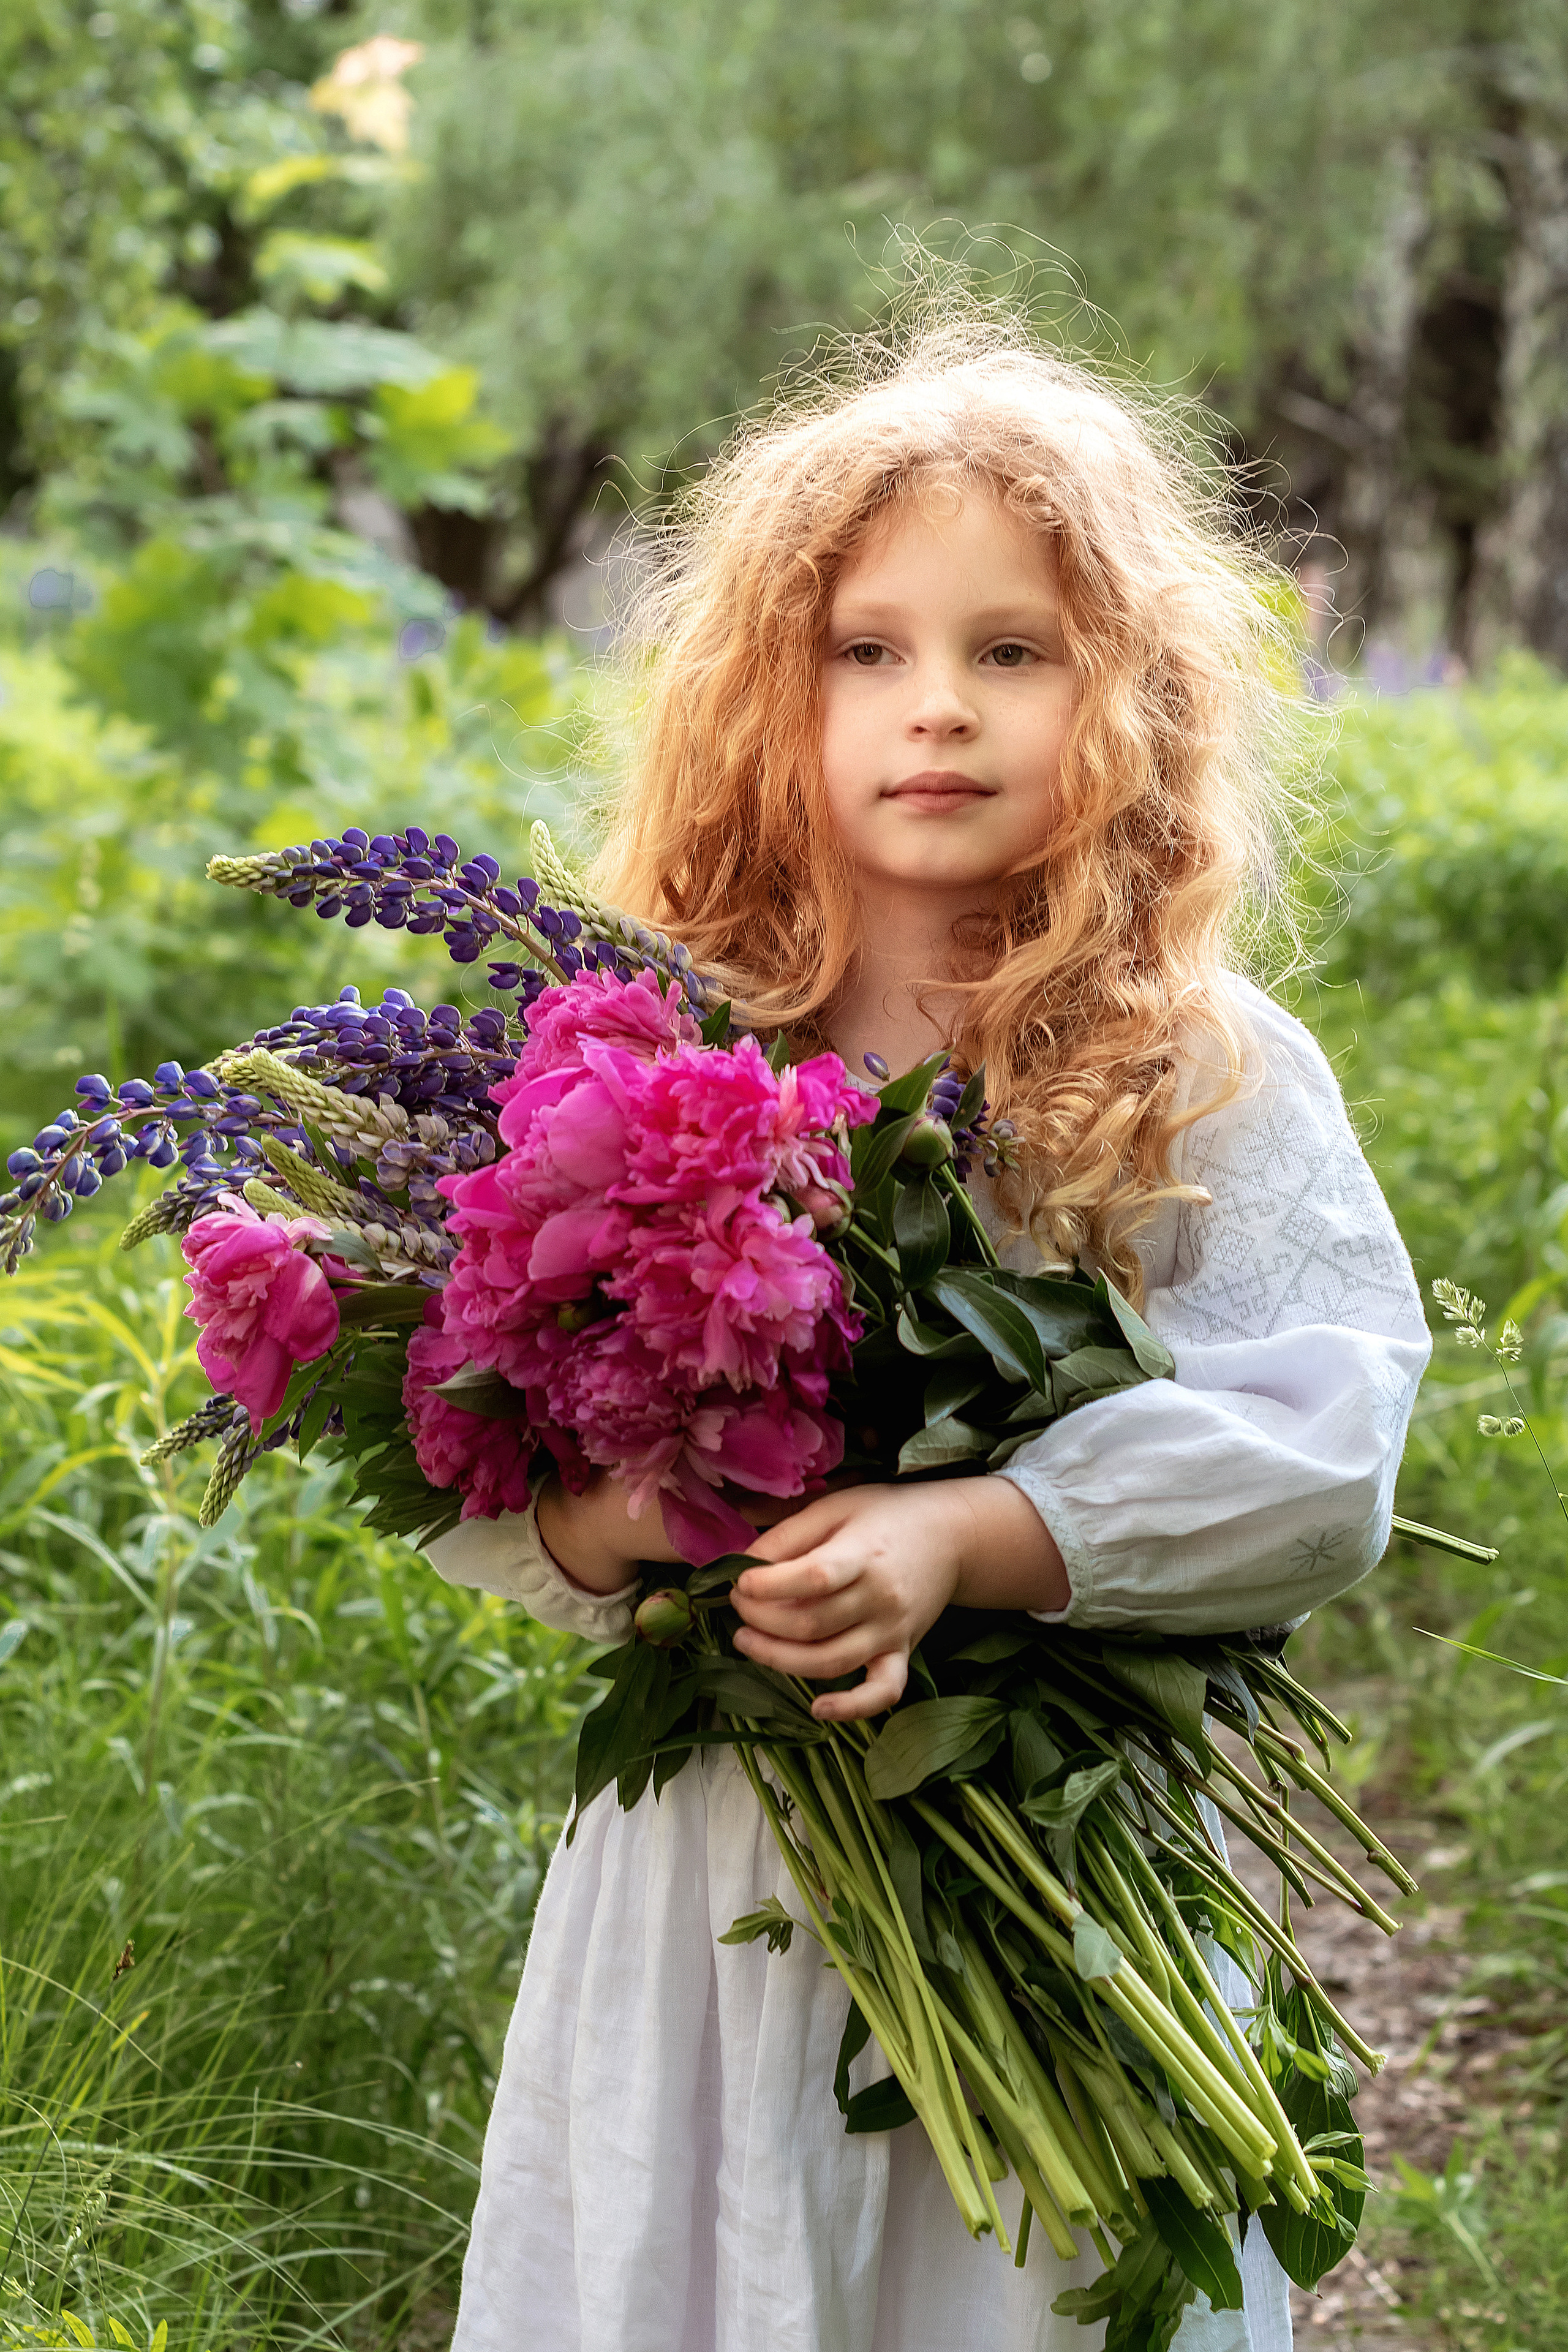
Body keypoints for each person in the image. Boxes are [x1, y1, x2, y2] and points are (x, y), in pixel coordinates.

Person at [421, 322, 1431, 2352]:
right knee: (699, 2269)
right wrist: (625, 1524)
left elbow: (1328, 1455)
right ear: (763, 696)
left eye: (1013, 652)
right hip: (715, 1881)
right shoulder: (640, 1057)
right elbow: (468, 1444)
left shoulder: (1199, 1070)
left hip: (1071, 1873)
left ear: (1126, 698)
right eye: (865, 652)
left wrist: (971, 1539)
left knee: (1033, 2284)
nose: (936, 710)